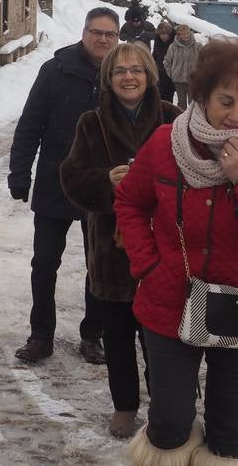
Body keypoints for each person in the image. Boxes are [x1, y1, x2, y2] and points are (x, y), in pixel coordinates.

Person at [115, 37, 238, 464]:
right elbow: (129, 200)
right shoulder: (166, 143)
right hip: (170, 300)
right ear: (202, 97)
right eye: (226, 101)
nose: (236, 116)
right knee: (169, 422)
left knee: (229, 430)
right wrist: (148, 264)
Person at [59, 42, 182, 439]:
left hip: (164, 246)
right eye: (119, 71)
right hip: (112, 249)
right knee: (116, 334)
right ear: (108, 80)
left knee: (162, 336)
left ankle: (165, 406)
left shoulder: (172, 120)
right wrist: (104, 181)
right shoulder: (91, 124)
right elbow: (72, 179)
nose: (129, 77)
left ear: (150, 76)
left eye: (137, 70)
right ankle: (125, 406)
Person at [8, 6, 117, 365]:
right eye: (96, 32)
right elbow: (30, 126)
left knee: (99, 266)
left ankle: (93, 334)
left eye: (110, 34)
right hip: (56, 182)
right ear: (83, 33)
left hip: (102, 186)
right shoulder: (55, 71)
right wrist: (20, 173)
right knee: (44, 265)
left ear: (117, 38)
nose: (103, 39)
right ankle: (41, 335)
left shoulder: (124, 73)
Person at [163, 24, 199, 109]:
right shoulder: (173, 47)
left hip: (193, 79)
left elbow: (204, 61)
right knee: (181, 103)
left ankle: (193, 120)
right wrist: (171, 73)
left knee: (193, 103)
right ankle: (182, 120)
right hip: (178, 80)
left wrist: (199, 74)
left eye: (187, 33)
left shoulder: (198, 46)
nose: (186, 36)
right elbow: (167, 61)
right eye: (183, 34)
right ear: (178, 35)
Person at [152, 21, 177, 104]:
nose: (163, 36)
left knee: (169, 95)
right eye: (161, 34)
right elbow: (155, 53)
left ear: (169, 34)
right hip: (160, 71)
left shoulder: (175, 41)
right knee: (160, 95)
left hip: (171, 72)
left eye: (165, 34)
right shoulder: (158, 40)